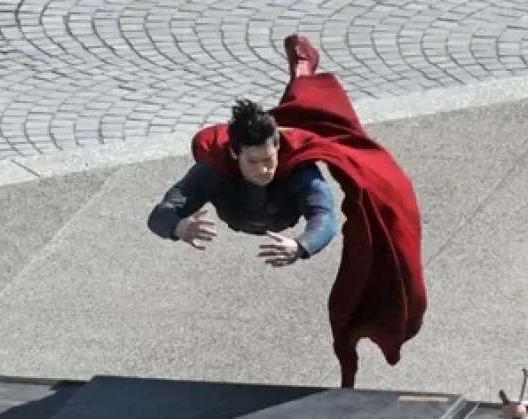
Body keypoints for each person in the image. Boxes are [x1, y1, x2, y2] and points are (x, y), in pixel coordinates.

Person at [145, 35, 428, 389]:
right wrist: (178, 227)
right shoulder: (213, 171)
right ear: (234, 154)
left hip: (284, 214)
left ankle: (302, 72)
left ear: (278, 147)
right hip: (238, 212)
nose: (264, 169)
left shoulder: (297, 170)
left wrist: (301, 245)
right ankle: (302, 73)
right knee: (292, 112)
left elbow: (324, 216)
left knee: (300, 114)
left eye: (269, 158)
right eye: (253, 162)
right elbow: (159, 215)